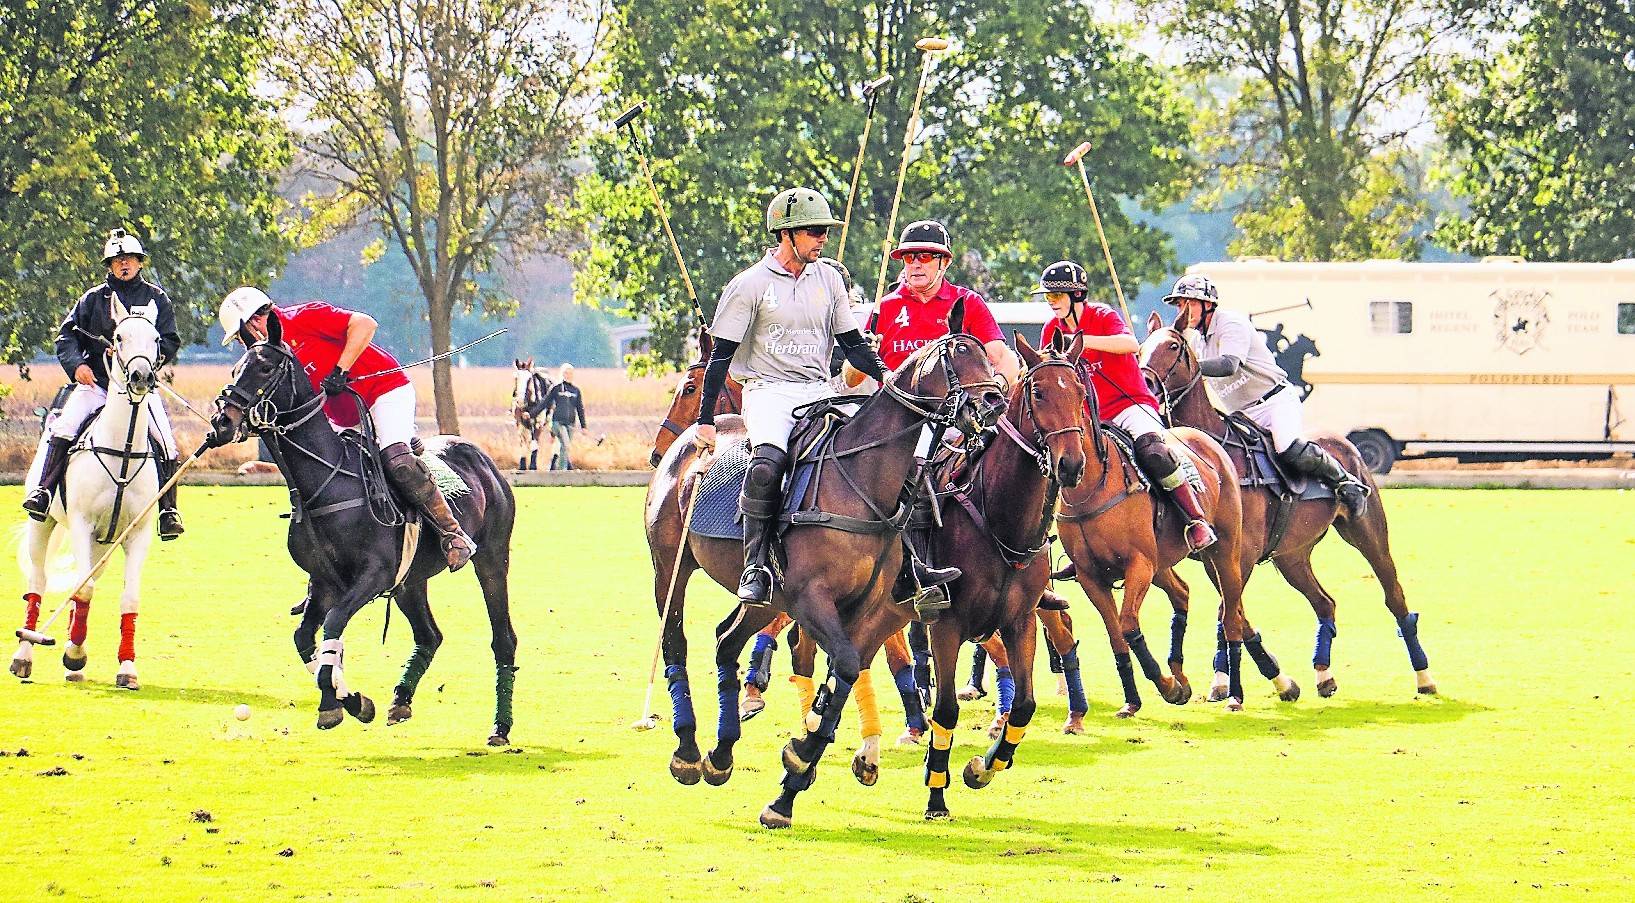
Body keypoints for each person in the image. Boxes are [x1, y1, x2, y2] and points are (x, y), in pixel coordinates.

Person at [695, 187, 890, 605]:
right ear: (787, 233)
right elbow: (720, 357)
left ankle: (902, 557)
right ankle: (756, 564)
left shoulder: (830, 279)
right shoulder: (749, 285)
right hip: (768, 392)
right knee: (767, 465)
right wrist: (705, 420)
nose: (823, 239)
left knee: (878, 446)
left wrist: (886, 378)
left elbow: (853, 345)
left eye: (825, 231)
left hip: (820, 390)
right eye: (815, 231)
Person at [216, 287, 477, 570]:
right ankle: (328, 576)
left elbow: (365, 324)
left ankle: (453, 533)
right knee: (325, 476)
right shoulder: (270, 356)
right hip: (342, 416)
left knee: (398, 462)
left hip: (383, 392)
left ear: (254, 323)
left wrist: (341, 369)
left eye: (241, 337)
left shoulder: (304, 317)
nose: (244, 345)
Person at [853, 219, 1022, 618]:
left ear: (943, 263)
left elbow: (1004, 360)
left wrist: (992, 390)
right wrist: (864, 351)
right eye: (910, 257)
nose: (916, 264)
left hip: (951, 417)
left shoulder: (966, 305)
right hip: (891, 422)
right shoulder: (886, 308)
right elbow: (851, 378)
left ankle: (1024, 566)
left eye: (925, 257)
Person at [1037, 260, 1217, 552]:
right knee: (1060, 462)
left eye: (1056, 296)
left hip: (1129, 404)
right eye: (1048, 297)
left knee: (1154, 452)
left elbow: (1129, 344)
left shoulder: (1102, 315)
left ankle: (1195, 520)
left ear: (1077, 295)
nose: (1052, 303)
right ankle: (1078, 543)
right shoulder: (1050, 330)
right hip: (1089, 416)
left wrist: (1081, 341)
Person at [23, 229, 185, 539]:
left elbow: (170, 340)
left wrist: (146, 362)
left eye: (130, 259)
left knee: (166, 442)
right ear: (110, 265)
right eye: (117, 260)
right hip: (97, 384)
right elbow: (66, 336)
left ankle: (168, 511)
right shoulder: (92, 299)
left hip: (138, 390)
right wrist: (77, 365)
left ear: (139, 263)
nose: (124, 264)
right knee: (64, 428)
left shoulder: (156, 298)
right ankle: (43, 493)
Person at [1165, 273, 1370, 513]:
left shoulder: (1230, 323)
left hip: (1274, 402)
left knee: (1287, 447)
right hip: (1240, 416)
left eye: (1185, 303)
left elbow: (1229, 365)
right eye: (1178, 305)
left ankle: (1345, 481)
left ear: (1207, 304)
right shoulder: (1197, 341)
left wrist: (1187, 365)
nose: (1180, 310)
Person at [542, 363, 587, 470]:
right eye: (566, 373)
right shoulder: (556, 388)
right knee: (566, 445)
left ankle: (556, 468)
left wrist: (584, 426)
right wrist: (530, 414)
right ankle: (562, 472)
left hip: (570, 424)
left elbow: (580, 409)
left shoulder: (576, 391)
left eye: (570, 373)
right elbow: (544, 403)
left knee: (564, 448)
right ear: (562, 374)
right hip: (557, 423)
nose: (568, 375)